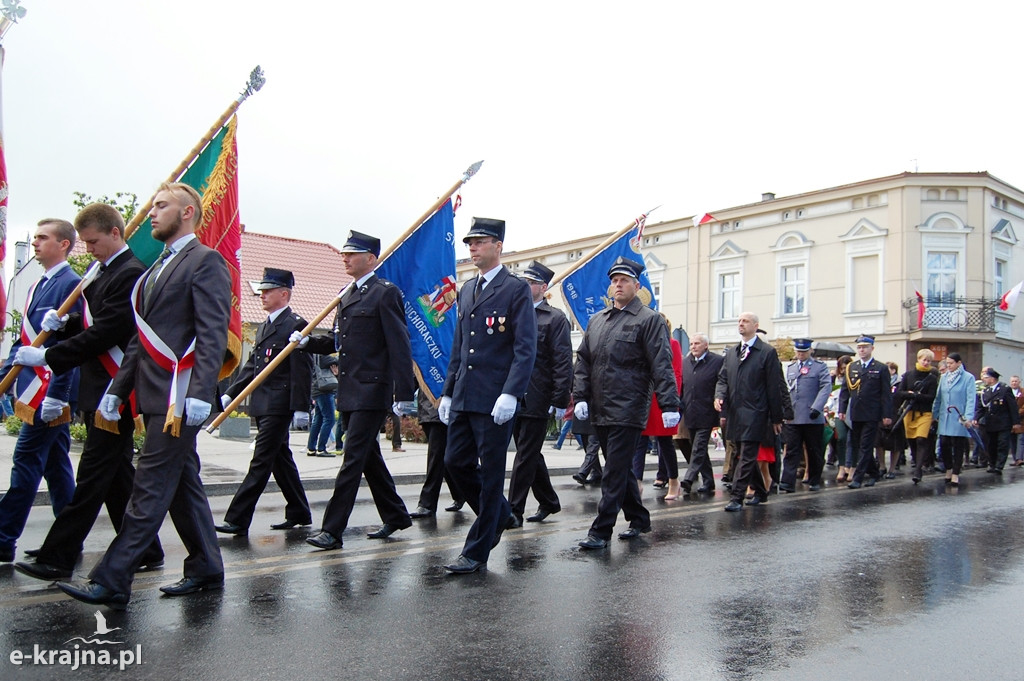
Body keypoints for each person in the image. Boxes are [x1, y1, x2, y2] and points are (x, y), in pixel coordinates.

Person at [58, 182, 232, 607]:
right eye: (152, 207)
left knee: (149, 486)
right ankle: (207, 566)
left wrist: (201, 391)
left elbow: (211, 333)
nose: (151, 214)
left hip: (178, 397)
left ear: (187, 212)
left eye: (161, 206)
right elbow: (141, 339)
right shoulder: (156, 267)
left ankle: (113, 578)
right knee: (181, 485)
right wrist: (117, 392)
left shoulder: (205, 262)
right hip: (152, 394)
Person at [13, 204, 164, 581]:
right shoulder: (101, 272)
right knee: (115, 477)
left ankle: (58, 556)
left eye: (94, 241)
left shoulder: (130, 273)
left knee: (92, 475)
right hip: (97, 385)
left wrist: (49, 353)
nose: (89, 249)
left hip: (116, 391)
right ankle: (147, 548)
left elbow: (108, 332)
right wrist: (63, 325)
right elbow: (87, 325)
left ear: (115, 233)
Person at [295, 230, 416, 550]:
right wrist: (307, 342)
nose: (345, 258)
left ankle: (332, 529)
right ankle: (396, 514)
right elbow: (340, 343)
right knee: (368, 457)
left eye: (352, 254)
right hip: (348, 390)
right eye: (344, 254)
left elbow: (399, 345)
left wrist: (404, 393)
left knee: (351, 459)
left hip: (372, 391)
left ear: (371, 258)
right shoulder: (346, 294)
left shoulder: (385, 293)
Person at [437, 217, 536, 574]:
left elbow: (525, 348)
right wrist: (447, 393)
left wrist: (511, 393)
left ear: (498, 246)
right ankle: (501, 513)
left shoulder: (515, 289)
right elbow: (460, 347)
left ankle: (477, 550)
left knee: (492, 473)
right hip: (465, 394)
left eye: (479, 242)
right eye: (470, 243)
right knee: (455, 463)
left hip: (496, 400)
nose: (472, 248)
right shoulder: (467, 289)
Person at [573, 256, 679, 549]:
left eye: (624, 280)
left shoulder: (649, 320)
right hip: (600, 406)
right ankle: (639, 518)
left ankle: (601, 531)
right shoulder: (598, 320)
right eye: (614, 281)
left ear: (636, 285)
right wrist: (580, 396)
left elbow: (662, 363)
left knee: (614, 470)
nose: (618, 285)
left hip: (629, 406)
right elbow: (583, 360)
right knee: (618, 468)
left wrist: (670, 404)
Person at [0, 219, 82, 564]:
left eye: (43, 238)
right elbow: (24, 342)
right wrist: (4, 374)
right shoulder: (37, 285)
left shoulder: (72, 285)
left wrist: (58, 395)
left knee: (26, 461)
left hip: (49, 392)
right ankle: (69, 538)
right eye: (34, 237)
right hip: (33, 386)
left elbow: (72, 346)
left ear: (64, 244)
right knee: (56, 465)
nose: (35, 243)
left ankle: (3, 538)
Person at [214, 268, 314, 536]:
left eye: (268, 291)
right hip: (263, 402)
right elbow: (253, 367)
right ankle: (299, 511)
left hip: (279, 405)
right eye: (262, 290)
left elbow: (302, 371)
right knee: (280, 459)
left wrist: (301, 408)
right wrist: (231, 393)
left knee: (261, 461)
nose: (262, 295)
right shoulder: (267, 324)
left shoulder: (295, 324)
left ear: (284, 293)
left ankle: (237, 518)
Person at [508, 261, 572, 525]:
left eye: (530, 282)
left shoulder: (554, 318)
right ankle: (548, 500)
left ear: (543, 288)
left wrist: (558, 399)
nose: (525, 286)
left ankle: (513, 511)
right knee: (530, 452)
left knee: (525, 454)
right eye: (523, 282)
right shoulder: (514, 313)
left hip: (538, 395)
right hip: (512, 393)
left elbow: (562, 360)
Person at [716, 313, 786, 511]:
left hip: (757, 412)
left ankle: (737, 497)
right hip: (735, 413)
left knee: (747, 454)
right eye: (738, 321)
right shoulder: (731, 353)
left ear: (756, 326)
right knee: (741, 453)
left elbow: (774, 387)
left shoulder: (766, 352)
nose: (740, 324)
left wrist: (776, 417)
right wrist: (719, 396)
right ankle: (762, 491)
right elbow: (723, 379)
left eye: (745, 321)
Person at [839, 336, 893, 489]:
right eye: (860, 347)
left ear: (872, 349)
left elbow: (886, 394)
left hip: (872, 412)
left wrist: (887, 414)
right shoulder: (852, 367)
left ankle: (858, 477)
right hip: (855, 412)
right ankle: (874, 473)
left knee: (866, 445)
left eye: (865, 347)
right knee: (857, 444)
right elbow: (845, 391)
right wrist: (842, 410)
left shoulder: (880, 368)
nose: (862, 350)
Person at [639, 314, 683, 500]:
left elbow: (676, 374)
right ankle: (636, 481)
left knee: (665, 442)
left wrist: (672, 403)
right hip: (644, 398)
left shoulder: (672, 343)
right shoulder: (643, 343)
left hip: (662, 398)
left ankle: (673, 479)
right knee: (639, 442)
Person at [779, 338, 831, 493]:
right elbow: (787, 390)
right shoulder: (790, 368)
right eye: (798, 351)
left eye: (803, 351)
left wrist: (817, 407)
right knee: (791, 450)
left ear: (810, 351)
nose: (800, 354)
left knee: (814, 450)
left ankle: (814, 479)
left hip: (811, 415)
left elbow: (825, 387)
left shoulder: (819, 367)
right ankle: (787, 481)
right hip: (794, 416)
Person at [680, 332, 723, 496]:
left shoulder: (717, 361)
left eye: (697, 344)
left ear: (706, 345)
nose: (693, 347)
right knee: (699, 449)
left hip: (707, 412)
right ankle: (709, 481)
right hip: (690, 412)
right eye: (691, 344)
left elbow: (721, 383)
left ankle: (689, 478)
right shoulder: (686, 362)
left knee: (698, 447)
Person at [408, 392, 464, 518]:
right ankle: (460, 493)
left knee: (436, 456)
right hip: (426, 407)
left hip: (442, 407)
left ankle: (427, 504)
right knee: (442, 458)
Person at [930, 353, 975, 486]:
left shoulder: (968, 378)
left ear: (959, 363)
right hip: (945, 416)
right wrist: (934, 414)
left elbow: (971, 398)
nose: (948, 366)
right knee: (944, 444)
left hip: (959, 416)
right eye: (947, 363)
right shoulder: (944, 377)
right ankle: (948, 468)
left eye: (951, 363)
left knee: (958, 445)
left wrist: (968, 417)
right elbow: (938, 398)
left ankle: (955, 473)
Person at [897, 348, 939, 484]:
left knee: (921, 439)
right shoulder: (908, 375)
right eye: (924, 359)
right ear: (918, 359)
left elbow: (932, 397)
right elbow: (900, 392)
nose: (926, 362)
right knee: (912, 441)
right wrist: (911, 395)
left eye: (929, 360)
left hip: (924, 413)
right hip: (909, 412)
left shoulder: (932, 378)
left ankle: (919, 469)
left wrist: (917, 395)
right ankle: (916, 461)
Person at [976, 366, 1019, 474]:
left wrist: (1015, 422)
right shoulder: (986, 391)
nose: (984, 379)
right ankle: (992, 464)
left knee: (1002, 444)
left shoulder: (1005, 389)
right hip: (990, 423)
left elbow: (1012, 407)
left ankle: (999, 466)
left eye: (986, 377)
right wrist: (976, 418)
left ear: (993, 378)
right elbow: (982, 407)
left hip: (1003, 422)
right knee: (991, 445)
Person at [307, 354, 338, 456]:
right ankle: (321, 448)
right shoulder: (322, 356)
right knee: (330, 419)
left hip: (317, 389)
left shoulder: (314, 355)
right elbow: (337, 360)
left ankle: (311, 448)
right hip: (324, 389)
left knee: (318, 419)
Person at [1010, 375, 1024, 466]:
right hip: (1010, 421)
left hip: (1021, 420)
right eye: (1012, 381)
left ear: (1019, 382)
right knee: (1012, 440)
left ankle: (1019, 458)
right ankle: (1015, 458)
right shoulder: (1008, 392)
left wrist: (1018, 413)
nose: (1014, 383)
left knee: (1021, 439)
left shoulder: (1023, 392)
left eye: (1016, 381)